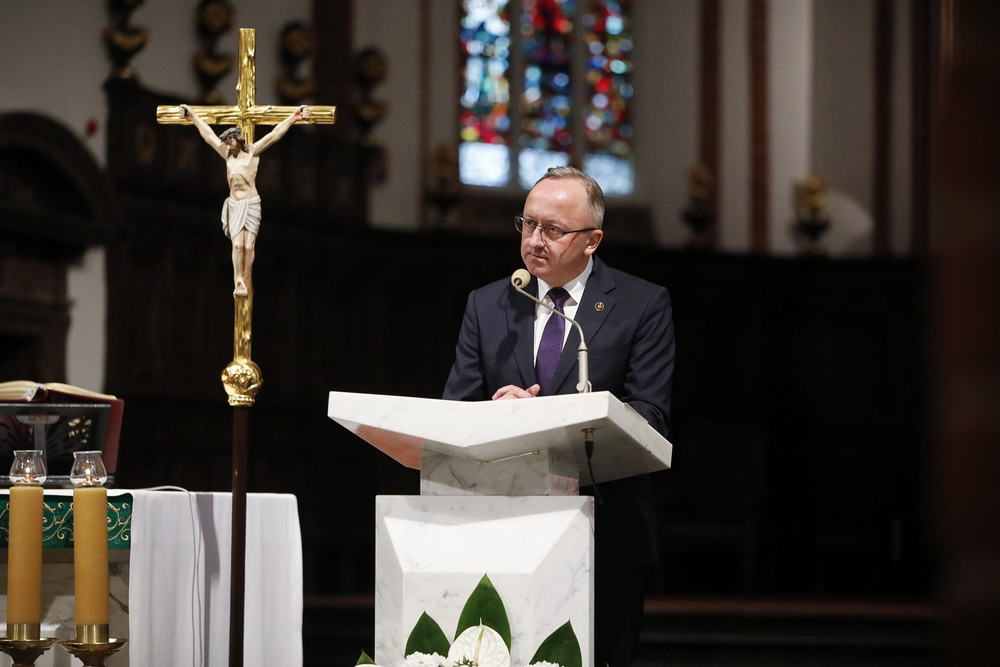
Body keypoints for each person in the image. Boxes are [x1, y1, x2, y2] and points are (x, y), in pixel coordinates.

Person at [443, 166, 675, 667]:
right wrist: (497, 414)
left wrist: (550, 418)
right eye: (527, 224)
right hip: (504, 530)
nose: (535, 240)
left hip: (605, 534)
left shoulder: (641, 304)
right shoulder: (488, 304)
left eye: (553, 229)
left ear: (592, 241)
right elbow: (456, 414)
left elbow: (650, 416)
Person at [180, 103, 309, 296]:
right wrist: (194, 118)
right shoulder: (227, 156)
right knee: (237, 245)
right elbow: (209, 137)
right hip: (234, 204)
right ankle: (237, 279)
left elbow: (274, 135)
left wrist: (293, 118)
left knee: (248, 246)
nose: (228, 145)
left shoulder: (252, 153)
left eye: (230, 141)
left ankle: (246, 277)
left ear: (237, 140)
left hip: (251, 203)